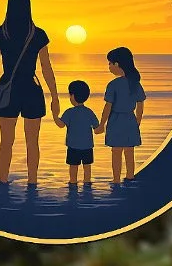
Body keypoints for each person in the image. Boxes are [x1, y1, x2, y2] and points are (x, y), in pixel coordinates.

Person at [0, 0, 59, 184]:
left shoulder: (0, 33)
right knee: (33, 143)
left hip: (7, 91)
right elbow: (46, 68)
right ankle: (32, 183)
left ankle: (3, 181)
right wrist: (55, 97)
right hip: (32, 90)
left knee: (6, 142)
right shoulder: (37, 34)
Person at [100, 46, 146, 182]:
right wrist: (137, 122)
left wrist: (102, 124)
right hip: (130, 120)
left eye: (109, 63)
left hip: (116, 121)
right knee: (129, 152)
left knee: (116, 152)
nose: (109, 66)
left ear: (117, 64)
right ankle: (130, 176)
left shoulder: (113, 85)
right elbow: (140, 104)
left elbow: (107, 107)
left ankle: (116, 180)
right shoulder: (135, 83)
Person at [55, 80, 100, 191]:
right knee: (87, 167)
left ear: (73, 96)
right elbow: (97, 127)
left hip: (73, 146)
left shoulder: (69, 112)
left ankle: (73, 183)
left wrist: (55, 115)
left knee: (73, 168)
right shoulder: (89, 112)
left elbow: (61, 125)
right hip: (87, 146)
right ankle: (87, 184)